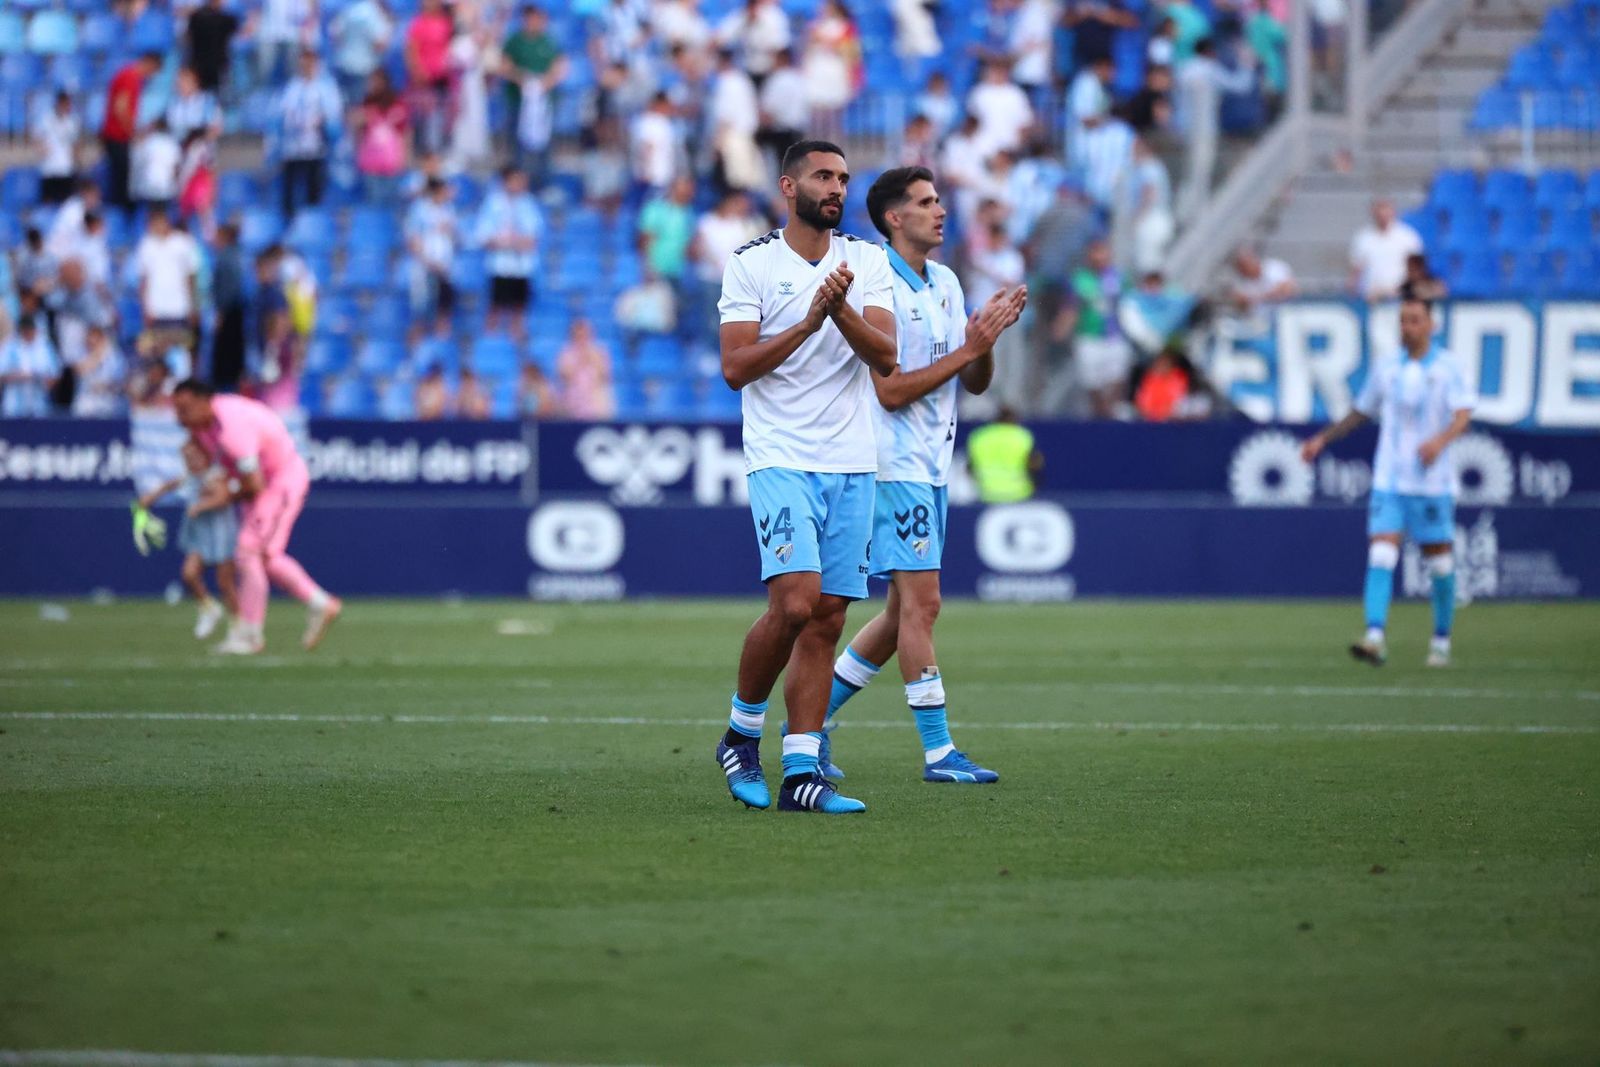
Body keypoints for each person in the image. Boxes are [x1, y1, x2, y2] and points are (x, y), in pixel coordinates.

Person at [822, 166, 1027, 785]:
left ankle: (811, 721)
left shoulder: (946, 280)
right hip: (893, 464)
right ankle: (939, 753)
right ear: (894, 218)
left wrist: (982, 342)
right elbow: (888, 393)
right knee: (924, 605)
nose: (941, 211)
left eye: (939, 201)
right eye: (926, 202)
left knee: (897, 614)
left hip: (933, 464)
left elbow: (976, 381)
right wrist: (966, 351)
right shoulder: (875, 281)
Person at [713, 140, 897, 815]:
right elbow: (736, 366)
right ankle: (740, 730)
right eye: (823, 176)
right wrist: (810, 319)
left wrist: (839, 310)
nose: (837, 188)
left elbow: (886, 355)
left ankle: (800, 775)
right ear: (788, 186)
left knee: (825, 618)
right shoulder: (750, 262)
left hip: (852, 459)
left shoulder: (868, 261)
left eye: (844, 178)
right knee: (793, 602)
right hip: (781, 454)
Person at [1300, 295, 1473, 669]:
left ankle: (1441, 641)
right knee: (1381, 552)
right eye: (1403, 320)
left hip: (1432, 483)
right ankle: (1375, 636)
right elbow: (1362, 411)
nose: (1407, 327)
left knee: (1440, 565)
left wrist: (1439, 442)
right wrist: (1322, 439)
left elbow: (1463, 415)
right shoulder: (1387, 367)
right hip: (1389, 479)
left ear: (1431, 325)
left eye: (1414, 320)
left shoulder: (1448, 367)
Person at [173, 379, 342, 656]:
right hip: (264, 485)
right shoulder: (204, 426)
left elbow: (255, 484)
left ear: (204, 401)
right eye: (177, 410)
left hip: (279, 482)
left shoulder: (232, 427)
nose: (180, 417)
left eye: (185, 409)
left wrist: (222, 496)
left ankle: (250, 634)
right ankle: (321, 604)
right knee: (266, 557)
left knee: (248, 552)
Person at [138, 439, 240, 641]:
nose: (191, 462)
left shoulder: (215, 475)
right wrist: (151, 497)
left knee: (225, 585)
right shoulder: (190, 477)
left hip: (220, 534)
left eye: (194, 457)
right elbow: (171, 484)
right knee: (189, 574)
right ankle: (209, 608)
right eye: (187, 458)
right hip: (199, 535)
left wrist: (201, 506)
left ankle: (239, 628)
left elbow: (223, 497)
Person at [475, 166, 544, 340]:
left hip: (522, 266)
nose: (519, 184)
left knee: (519, 309)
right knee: (496, 307)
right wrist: (505, 242)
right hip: (500, 266)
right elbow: (483, 236)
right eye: (515, 180)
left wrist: (512, 242)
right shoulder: (492, 203)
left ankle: (516, 346)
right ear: (505, 181)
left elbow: (533, 238)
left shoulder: (529, 204)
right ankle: (491, 345)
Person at [276, 49, 342, 219]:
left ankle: (312, 220)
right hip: (293, 147)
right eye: (303, 64)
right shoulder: (292, 86)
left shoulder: (326, 87)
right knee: (289, 188)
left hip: (316, 146)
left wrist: (320, 122)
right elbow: (283, 112)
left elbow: (333, 114)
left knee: (314, 187)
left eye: (310, 64)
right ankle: (289, 220)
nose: (307, 67)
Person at [101, 53, 162, 214]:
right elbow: (121, 108)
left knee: (122, 175)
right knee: (122, 177)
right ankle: (121, 212)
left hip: (117, 134)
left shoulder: (128, 76)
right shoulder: (130, 78)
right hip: (117, 135)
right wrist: (133, 132)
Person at [134, 211, 202, 357]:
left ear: (165, 222)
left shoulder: (184, 243)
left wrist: (193, 306)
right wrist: (145, 309)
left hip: (180, 309)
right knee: (157, 354)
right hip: (156, 311)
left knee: (183, 351)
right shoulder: (146, 245)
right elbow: (143, 281)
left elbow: (191, 278)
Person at [405, 177, 458, 340]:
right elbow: (413, 241)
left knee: (444, 311)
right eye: (444, 190)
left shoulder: (449, 210)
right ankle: (416, 353)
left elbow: (454, 238)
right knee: (421, 313)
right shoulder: (419, 211)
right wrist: (429, 263)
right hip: (424, 269)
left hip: (444, 270)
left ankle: (440, 349)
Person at [1349, 197, 1424, 302]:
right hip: (1371, 298)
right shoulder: (1363, 238)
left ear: (1393, 211)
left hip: (1400, 297)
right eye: (1379, 211)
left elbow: (1416, 269)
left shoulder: (1408, 236)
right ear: (1373, 213)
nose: (1382, 215)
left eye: (1386, 210)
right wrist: (1353, 292)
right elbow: (1356, 271)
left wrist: (1405, 289)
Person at [354, 70, 410, 204]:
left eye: (375, 81)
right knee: (374, 202)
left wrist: (404, 156)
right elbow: (359, 130)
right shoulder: (367, 103)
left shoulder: (397, 104)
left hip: (391, 161)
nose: (372, 85)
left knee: (391, 202)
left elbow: (405, 133)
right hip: (371, 162)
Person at [967, 405, 1041, 503]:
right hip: (1019, 492)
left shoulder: (979, 436)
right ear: (1013, 419)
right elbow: (1035, 465)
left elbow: (970, 468)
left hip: (986, 492)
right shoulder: (1022, 436)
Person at [329, 0, 393, 103]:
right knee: (358, 108)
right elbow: (379, 44)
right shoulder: (373, 12)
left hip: (344, 63)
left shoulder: (350, 9)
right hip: (363, 68)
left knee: (345, 106)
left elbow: (335, 36)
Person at [0, 315, 61, 417]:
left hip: (39, 406)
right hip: (14, 407)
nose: (28, 333)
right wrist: (20, 375)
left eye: (30, 330)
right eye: (25, 331)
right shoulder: (10, 346)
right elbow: (1, 374)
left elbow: (55, 373)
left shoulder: (44, 346)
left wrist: (45, 381)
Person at [210, 224, 247, 390]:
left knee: (226, 357)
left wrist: (221, 312)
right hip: (235, 312)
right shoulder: (238, 256)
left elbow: (227, 288)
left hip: (229, 313)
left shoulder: (226, 258)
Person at [556, 318, 616, 419]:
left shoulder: (599, 351)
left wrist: (593, 359)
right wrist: (579, 361)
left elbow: (606, 377)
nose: (582, 337)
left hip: (596, 403)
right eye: (579, 335)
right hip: (573, 402)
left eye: (585, 334)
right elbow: (564, 377)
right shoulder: (566, 353)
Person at [185, 0, 242, 95]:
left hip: (199, 61)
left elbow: (188, 38)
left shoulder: (195, 16)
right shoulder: (226, 19)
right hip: (216, 63)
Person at [70, 324, 127, 417]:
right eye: (89, 338)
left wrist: (105, 386)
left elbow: (120, 380)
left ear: (102, 339)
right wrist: (99, 354)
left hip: (107, 404)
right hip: (85, 404)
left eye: (95, 339)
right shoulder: (80, 352)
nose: (91, 341)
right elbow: (79, 370)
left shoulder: (114, 356)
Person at [34, 91, 80, 205]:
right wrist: (42, 149)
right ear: (58, 103)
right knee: (48, 203)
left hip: (66, 169)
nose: (67, 107)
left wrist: (76, 159)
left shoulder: (72, 122)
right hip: (49, 169)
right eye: (64, 104)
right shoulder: (46, 120)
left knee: (65, 203)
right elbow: (37, 138)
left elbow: (75, 143)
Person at [130, 119, 182, 218]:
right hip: (165, 186)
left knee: (148, 217)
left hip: (148, 186)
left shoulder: (146, 142)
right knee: (162, 216)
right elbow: (176, 168)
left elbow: (138, 164)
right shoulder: (172, 143)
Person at [1227, 243, 1297, 315]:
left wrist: (1255, 298)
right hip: (1258, 318)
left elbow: (1287, 289)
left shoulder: (1273, 267)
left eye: (1246, 264)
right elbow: (1240, 302)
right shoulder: (1240, 283)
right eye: (1241, 267)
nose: (1245, 269)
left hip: (1284, 313)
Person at [167, 66, 222, 143]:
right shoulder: (172, 102)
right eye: (179, 82)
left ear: (195, 83)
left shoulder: (208, 102)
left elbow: (216, 129)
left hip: (200, 143)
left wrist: (199, 140)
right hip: (177, 143)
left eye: (186, 82)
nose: (181, 85)